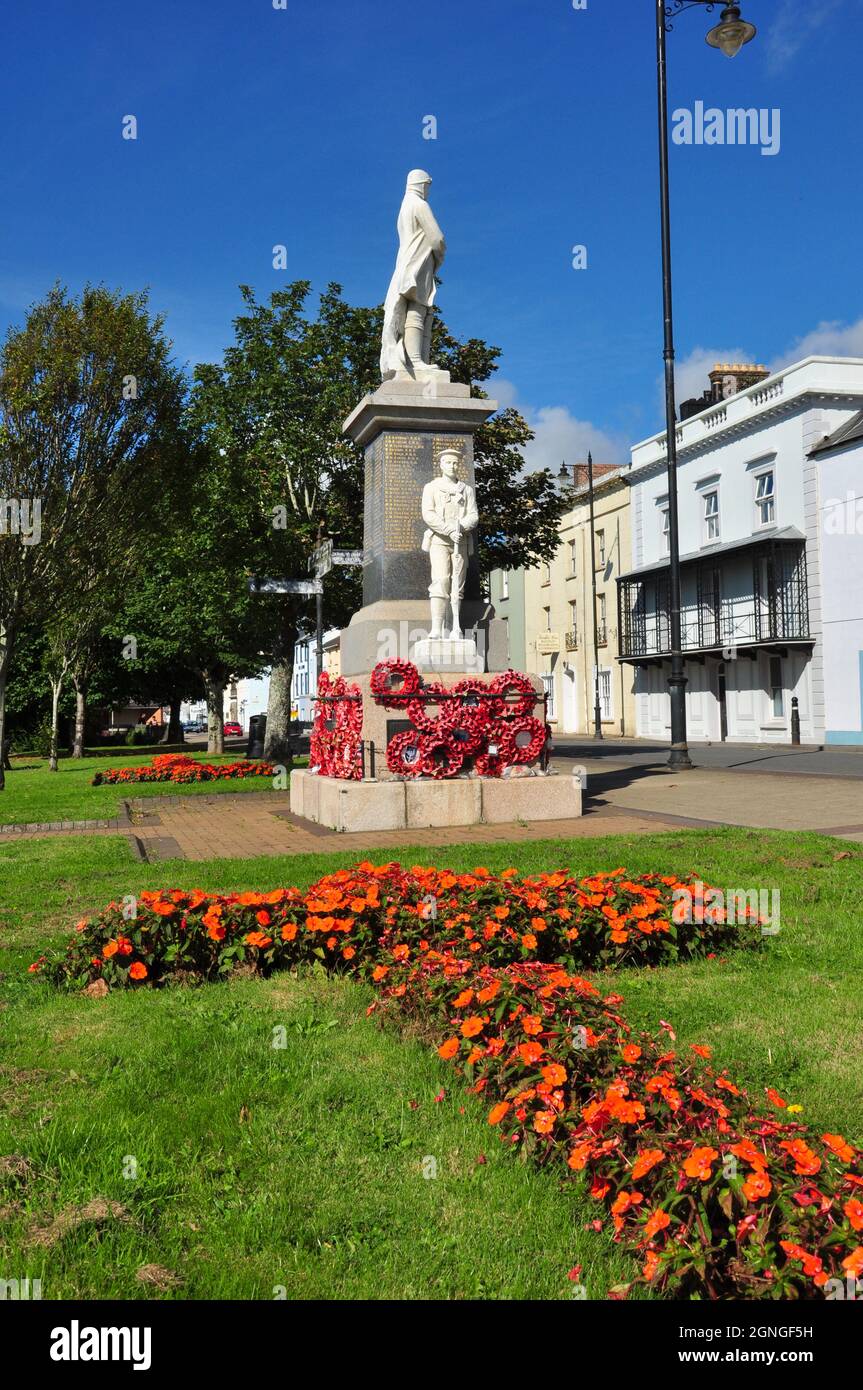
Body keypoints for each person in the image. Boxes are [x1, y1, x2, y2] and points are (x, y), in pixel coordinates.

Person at [380, 170, 446, 379]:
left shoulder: (404, 206)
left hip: (406, 262)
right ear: (421, 184)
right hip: (419, 261)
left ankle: (412, 359)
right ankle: (415, 360)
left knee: (411, 308)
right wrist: (439, 257)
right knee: (418, 306)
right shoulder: (419, 204)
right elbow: (437, 238)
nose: (428, 190)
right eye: (427, 185)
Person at [421, 449, 478, 640]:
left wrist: (460, 528)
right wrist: (449, 530)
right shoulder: (431, 487)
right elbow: (428, 514)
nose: (452, 466)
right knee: (441, 581)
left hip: (460, 542)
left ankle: (456, 627)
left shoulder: (466, 490)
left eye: (455, 463)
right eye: (448, 463)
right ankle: (437, 628)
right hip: (439, 540)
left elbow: (473, 515)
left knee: (457, 585)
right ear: (441, 465)